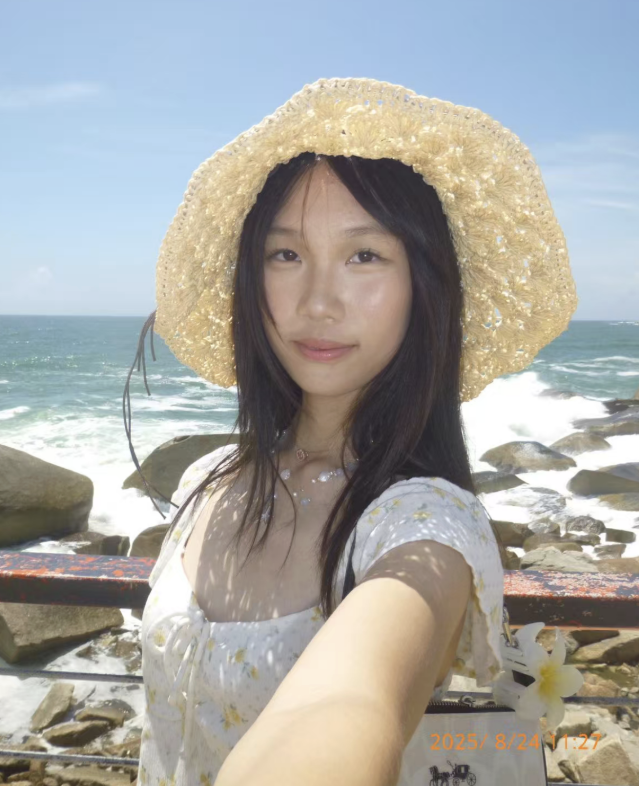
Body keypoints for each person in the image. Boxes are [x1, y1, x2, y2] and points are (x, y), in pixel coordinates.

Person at [126, 77, 577, 786]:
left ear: (422, 286)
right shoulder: (204, 482)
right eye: (286, 255)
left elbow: (348, 703)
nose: (319, 301)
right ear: (253, 279)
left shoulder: (423, 523)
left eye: (364, 255)